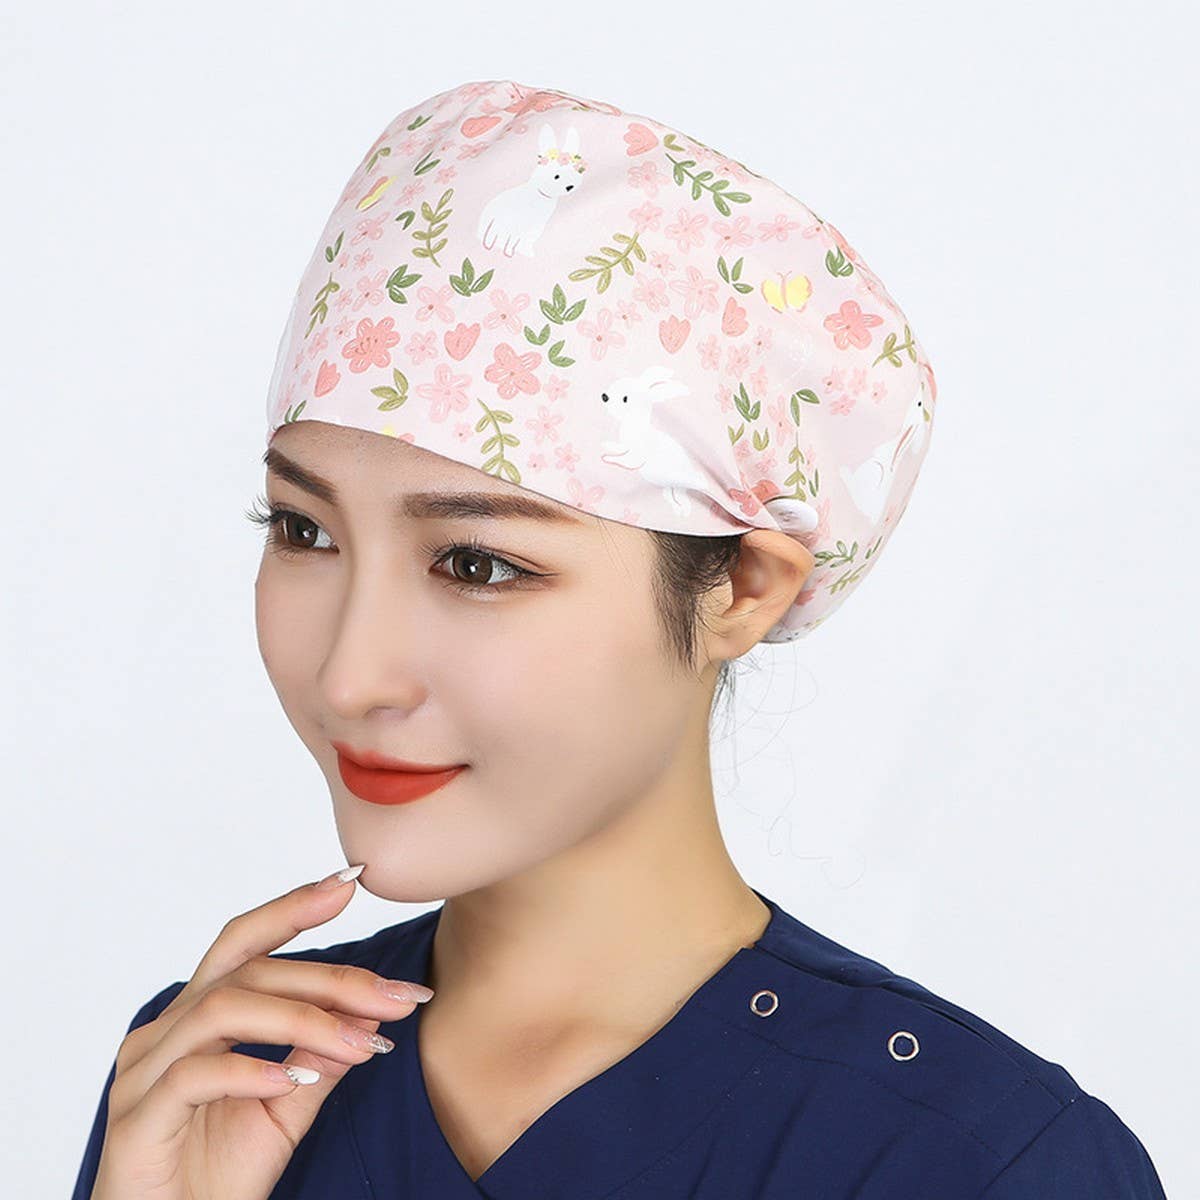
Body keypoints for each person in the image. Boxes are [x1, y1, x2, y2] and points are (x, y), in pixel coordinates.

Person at [72, 79, 1167, 1198]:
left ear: (742, 588)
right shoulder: (220, 1084)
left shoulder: (972, 1161)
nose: (350, 677)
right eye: (304, 530)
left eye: (477, 564)